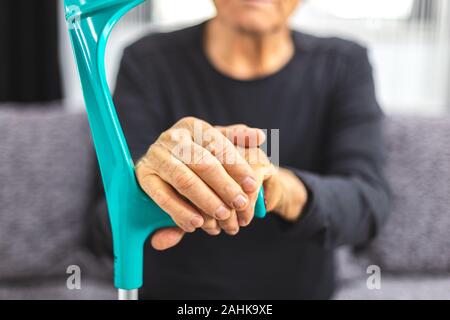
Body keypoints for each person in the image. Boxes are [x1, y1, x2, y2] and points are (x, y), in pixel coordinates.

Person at [92, 0, 391, 299]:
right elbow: (103, 225)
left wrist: (280, 189)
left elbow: (368, 205)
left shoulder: (343, 64)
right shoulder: (146, 62)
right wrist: (150, 187)